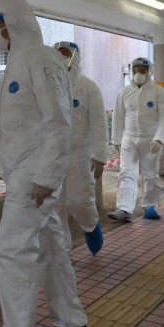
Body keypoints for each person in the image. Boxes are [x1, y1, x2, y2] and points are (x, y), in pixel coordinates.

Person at [0, 0, 89, 327]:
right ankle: (71, 326)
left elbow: (58, 121)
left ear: (15, 22)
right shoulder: (17, 62)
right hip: (26, 172)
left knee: (12, 252)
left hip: (33, 178)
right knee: (52, 251)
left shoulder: (40, 56)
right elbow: (29, 118)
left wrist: (46, 177)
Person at [52, 41, 108, 255]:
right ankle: (61, 248)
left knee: (79, 199)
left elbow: (99, 123)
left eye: (66, 53)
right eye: (58, 53)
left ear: (77, 57)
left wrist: (100, 156)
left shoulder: (88, 87)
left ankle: (90, 224)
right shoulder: (46, 85)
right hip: (53, 154)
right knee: (55, 204)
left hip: (80, 153)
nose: (62, 57)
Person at [107, 58, 164, 222]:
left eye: (142, 70)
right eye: (135, 70)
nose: (138, 74)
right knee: (126, 173)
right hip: (129, 139)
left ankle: (150, 206)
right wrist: (117, 139)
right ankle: (124, 209)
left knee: (150, 174)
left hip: (151, 141)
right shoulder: (123, 92)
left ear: (149, 71)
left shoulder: (158, 91)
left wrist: (160, 138)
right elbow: (118, 117)